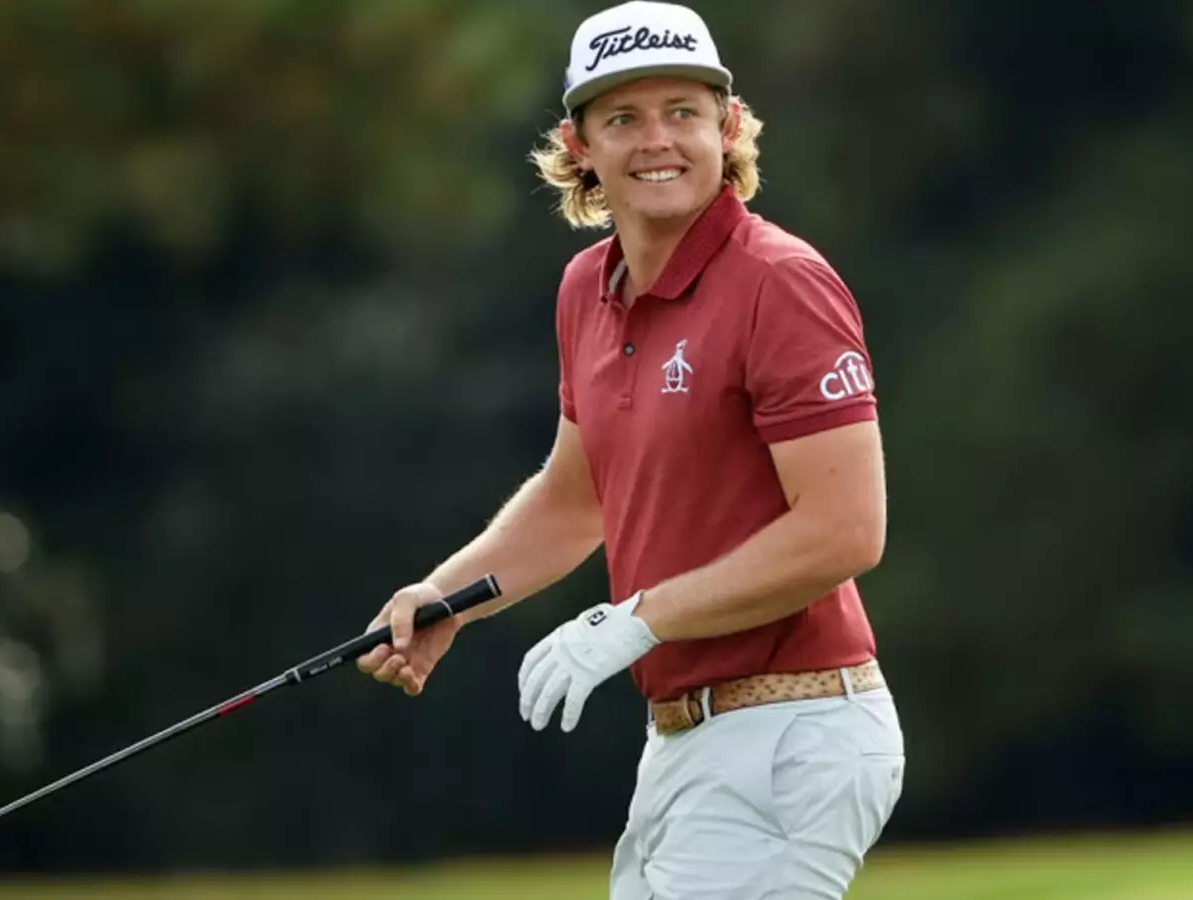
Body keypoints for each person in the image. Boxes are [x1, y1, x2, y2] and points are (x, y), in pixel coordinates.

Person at [357, 2, 905, 896]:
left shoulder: (781, 282)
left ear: (728, 126)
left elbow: (846, 531)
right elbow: (577, 496)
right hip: (683, 741)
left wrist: (638, 618)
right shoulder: (587, 287)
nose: (658, 140)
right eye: (623, 118)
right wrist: (446, 597)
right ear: (578, 145)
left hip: (792, 734)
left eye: (683, 111)